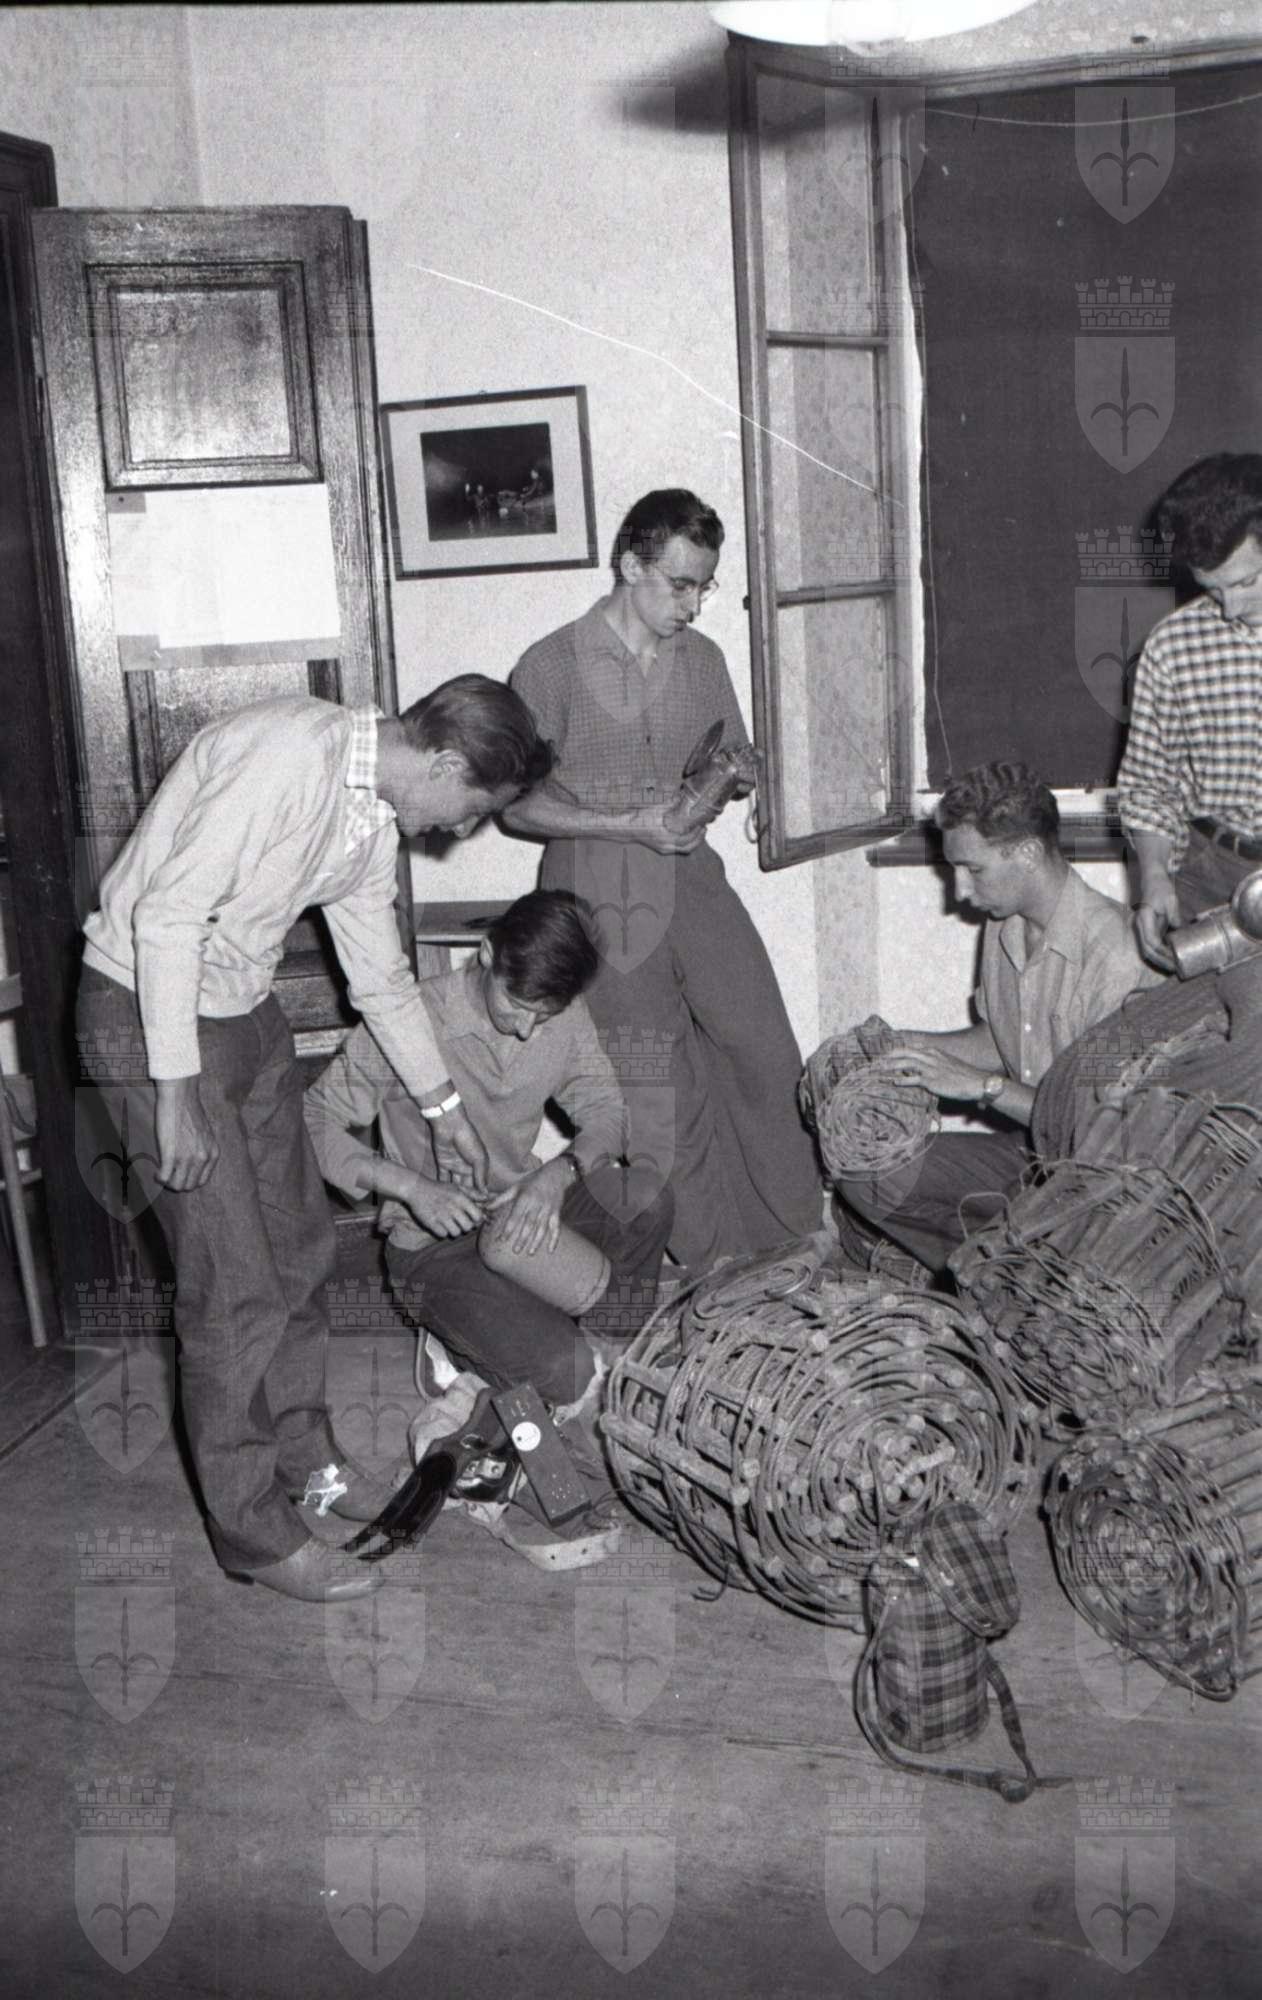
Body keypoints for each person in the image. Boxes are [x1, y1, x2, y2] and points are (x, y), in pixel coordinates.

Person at [75, 679, 552, 1603]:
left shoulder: (371, 814)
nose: (461, 829)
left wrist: (448, 1112)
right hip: (144, 1010)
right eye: (472, 809)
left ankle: (309, 1467)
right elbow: (166, 916)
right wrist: (172, 1094)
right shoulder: (290, 755)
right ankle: (254, 1536)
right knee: (233, 1288)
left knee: (298, 1251)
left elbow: (379, 977)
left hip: (243, 1010)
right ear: (445, 763)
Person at [503, 488, 822, 1277]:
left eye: (705, 586)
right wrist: (628, 824)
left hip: (691, 875)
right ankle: (715, 1264)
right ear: (629, 565)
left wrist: (738, 776)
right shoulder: (548, 666)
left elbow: (733, 752)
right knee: (657, 1084)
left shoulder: (702, 660)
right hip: (593, 888)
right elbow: (515, 805)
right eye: (680, 585)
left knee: (763, 1050)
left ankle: (795, 1238)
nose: (694, 605)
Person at [303, 889, 673, 1557]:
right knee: (561, 1365)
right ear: (486, 955)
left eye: (545, 1015)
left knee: (645, 1199)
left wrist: (554, 1177)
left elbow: (607, 1111)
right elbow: (314, 1123)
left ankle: (582, 1362)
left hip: (518, 1209)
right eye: (517, 1006)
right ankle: (519, 1363)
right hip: (431, 1251)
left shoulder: (557, 1011)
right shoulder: (410, 1019)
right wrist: (412, 1188)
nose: (529, 1030)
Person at [835, 761, 1162, 1279]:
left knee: (1074, 1243)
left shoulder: (1118, 956)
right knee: (864, 1176)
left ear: (1027, 852)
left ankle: (1026, 1272)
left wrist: (982, 1088)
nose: (960, 891)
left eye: (974, 870)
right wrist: (901, 1047)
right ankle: (1001, 1275)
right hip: (1031, 1155)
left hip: (1099, 1175)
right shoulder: (1004, 923)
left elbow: (1101, 1123)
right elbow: (1000, 1039)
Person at [1118, 453, 1262, 969]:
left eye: (1245, 583)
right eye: (1211, 589)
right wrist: (1155, 877)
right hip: (1213, 875)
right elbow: (1149, 785)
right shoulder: (1172, 647)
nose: (1230, 608)